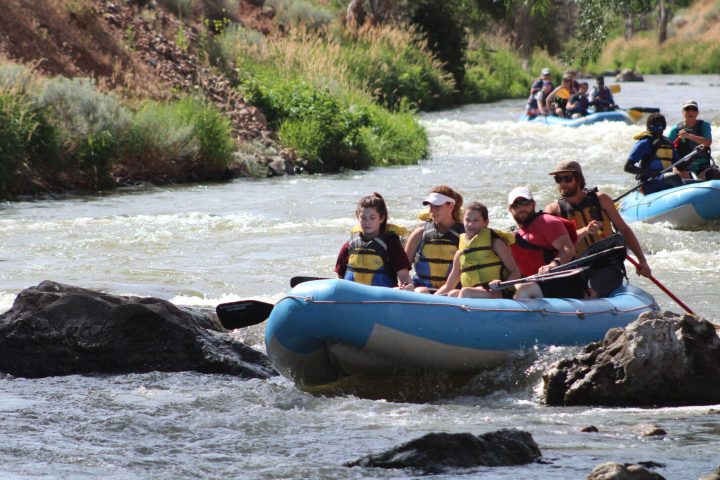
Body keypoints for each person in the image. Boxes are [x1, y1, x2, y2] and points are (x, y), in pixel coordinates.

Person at [544, 160, 652, 297]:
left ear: (578, 180)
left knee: (590, 292)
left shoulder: (601, 199)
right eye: (558, 179)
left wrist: (642, 261)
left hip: (607, 263)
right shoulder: (554, 210)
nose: (562, 183)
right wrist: (585, 231)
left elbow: (624, 230)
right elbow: (556, 246)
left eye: (567, 178)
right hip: (577, 266)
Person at [506, 187, 586, 300]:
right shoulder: (514, 234)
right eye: (516, 205)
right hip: (537, 283)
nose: (521, 208)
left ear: (533, 204)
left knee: (521, 290)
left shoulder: (546, 221)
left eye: (525, 203)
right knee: (509, 290)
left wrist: (553, 264)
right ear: (510, 209)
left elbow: (568, 249)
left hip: (564, 281)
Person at [434, 201, 520, 298]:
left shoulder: (495, 243)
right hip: (473, 294)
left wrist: (502, 285)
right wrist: (429, 301)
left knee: (466, 292)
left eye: (476, 220)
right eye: (467, 220)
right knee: (453, 294)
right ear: (463, 221)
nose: (470, 224)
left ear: (485, 222)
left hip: (497, 293)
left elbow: (515, 272)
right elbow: (448, 286)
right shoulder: (460, 253)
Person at [335, 193, 413, 288]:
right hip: (352, 297)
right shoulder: (348, 246)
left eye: (372, 218)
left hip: (381, 298)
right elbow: (340, 278)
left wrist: (406, 287)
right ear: (357, 217)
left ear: (381, 218)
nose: (367, 222)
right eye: (363, 218)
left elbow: (404, 277)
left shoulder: (391, 244)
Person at [405, 186, 465, 293]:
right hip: (421, 291)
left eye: (437, 206)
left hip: (452, 293)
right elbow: (403, 270)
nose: (432, 211)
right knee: (421, 292)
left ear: (450, 206)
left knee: (454, 293)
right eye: (431, 206)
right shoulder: (419, 234)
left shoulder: (464, 236)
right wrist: (405, 285)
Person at [624, 113, 684, 195]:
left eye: (659, 127)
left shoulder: (668, 143)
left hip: (665, 181)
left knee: (696, 182)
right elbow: (627, 167)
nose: (656, 130)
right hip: (649, 183)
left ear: (664, 128)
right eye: (653, 127)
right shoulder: (644, 143)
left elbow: (680, 167)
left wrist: (696, 155)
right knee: (674, 177)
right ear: (648, 128)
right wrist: (650, 173)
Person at [667, 100, 719, 180]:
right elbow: (667, 147)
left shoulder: (704, 125)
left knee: (716, 173)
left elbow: (708, 142)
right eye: (687, 109)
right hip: (683, 167)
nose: (690, 112)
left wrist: (688, 135)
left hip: (702, 166)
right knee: (678, 175)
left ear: (697, 112)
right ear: (683, 112)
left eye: (693, 109)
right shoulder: (675, 130)